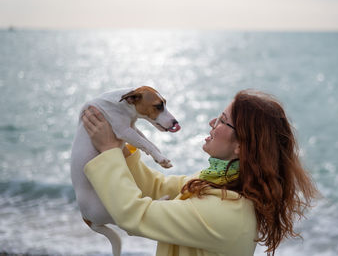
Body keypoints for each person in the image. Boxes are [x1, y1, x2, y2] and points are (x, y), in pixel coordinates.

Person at [82, 89, 318, 256]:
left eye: (223, 121)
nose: (212, 122)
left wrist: (108, 151)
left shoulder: (227, 213)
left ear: (242, 146)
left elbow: (135, 216)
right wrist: (122, 148)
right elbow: (158, 188)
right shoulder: (220, 183)